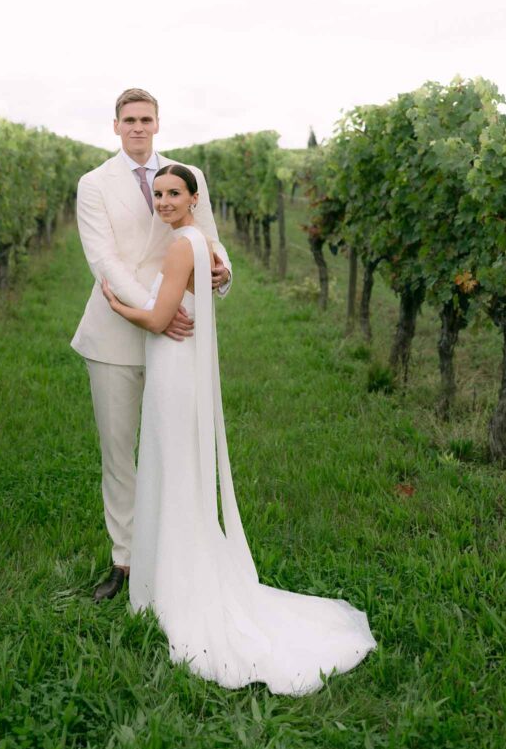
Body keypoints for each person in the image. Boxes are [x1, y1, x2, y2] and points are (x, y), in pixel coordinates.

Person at [101, 163, 377, 695]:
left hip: (173, 370)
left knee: (174, 466)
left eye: (172, 193)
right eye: (157, 193)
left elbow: (160, 320)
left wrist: (118, 303)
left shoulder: (184, 245)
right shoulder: (201, 243)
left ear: (193, 197)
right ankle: (172, 570)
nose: (162, 201)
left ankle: (177, 584)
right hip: (176, 368)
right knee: (176, 465)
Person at [71, 89, 232, 602]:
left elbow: (206, 236)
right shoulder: (93, 185)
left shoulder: (189, 175)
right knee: (120, 452)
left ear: (158, 123)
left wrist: (223, 274)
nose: (138, 127)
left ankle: (177, 551)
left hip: (176, 334)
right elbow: (105, 262)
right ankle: (124, 559)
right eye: (129, 120)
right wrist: (157, 313)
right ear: (115, 126)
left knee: (175, 445)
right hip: (121, 328)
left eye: (146, 119)